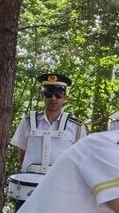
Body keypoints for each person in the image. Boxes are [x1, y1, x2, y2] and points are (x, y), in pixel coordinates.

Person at [9, 73, 87, 205]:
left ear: (65, 98)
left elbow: (80, 159)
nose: (53, 98)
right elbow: (21, 155)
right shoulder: (28, 122)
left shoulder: (76, 126)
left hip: (60, 187)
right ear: (42, 97)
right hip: (29, 187)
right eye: (48, 94)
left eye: (58, 95)